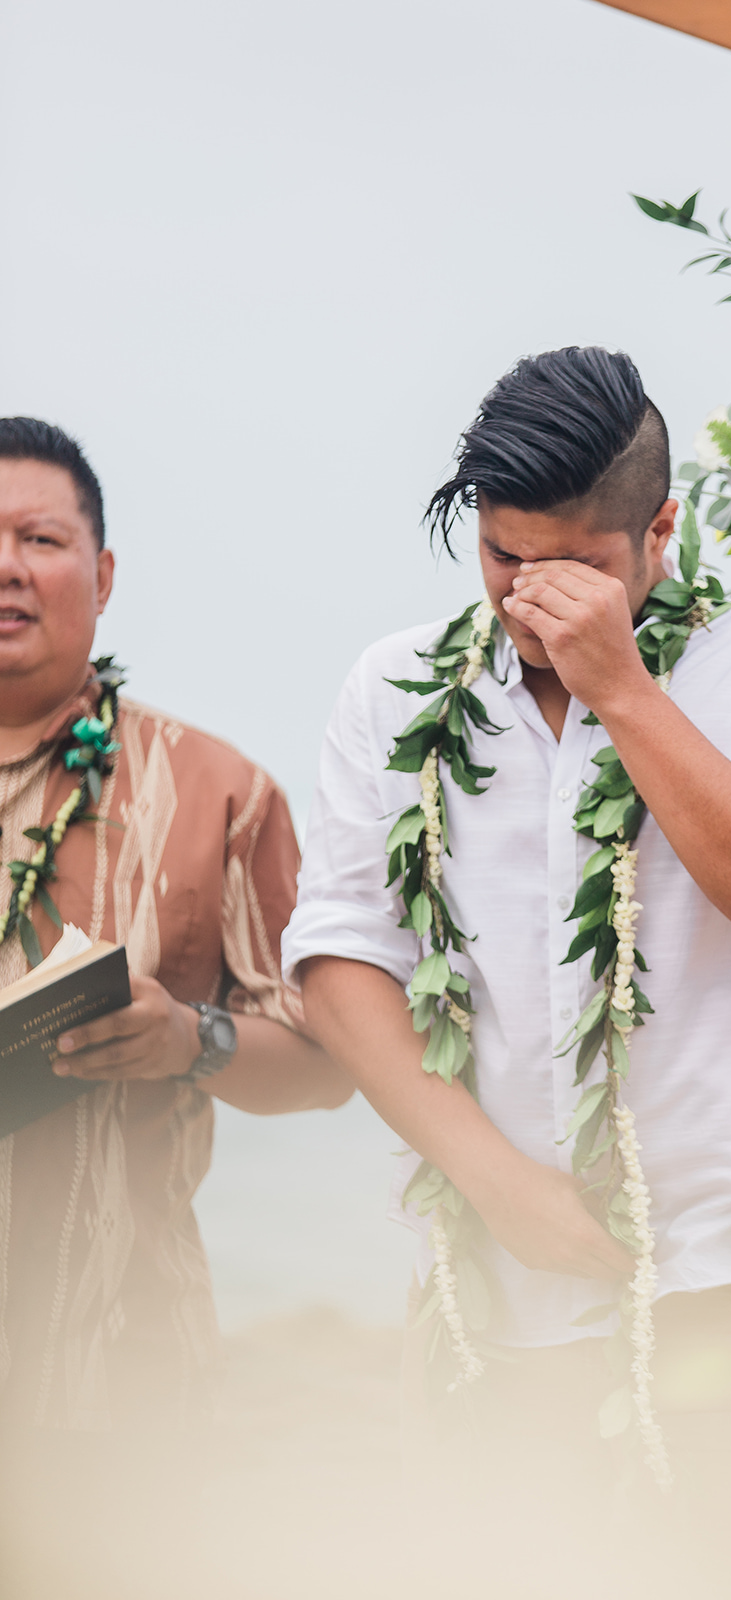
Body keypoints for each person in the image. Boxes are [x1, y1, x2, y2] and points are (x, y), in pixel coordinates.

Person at [283, 348, 731, 1596]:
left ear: (659, 528)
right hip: (488, 1302)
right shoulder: (392, 688)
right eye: (503, 559)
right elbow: (338, 961)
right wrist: (495, 1183)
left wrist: (620, 684)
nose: (530, 601)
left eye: (575, 570)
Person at [0, 418, 352, 1599]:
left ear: (101, 576)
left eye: (38, 538)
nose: (7, 566)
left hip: (115, 1373)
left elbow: (326, 1057)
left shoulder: (219, 792)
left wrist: (186, 1040)